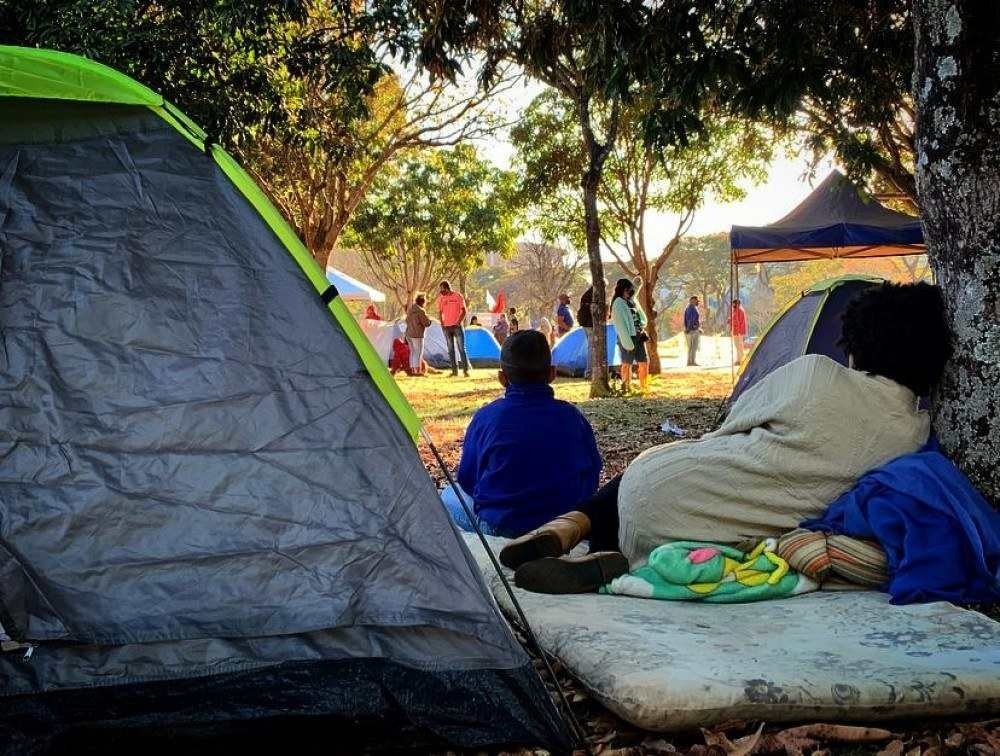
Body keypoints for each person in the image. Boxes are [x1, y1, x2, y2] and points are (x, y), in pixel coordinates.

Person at [499, 282, 953, 594]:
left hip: (656, 490)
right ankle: (616, 562)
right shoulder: (914, 438)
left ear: (854, 345)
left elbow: (729, 428)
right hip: (712, 535)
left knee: (660, 467)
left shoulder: (815, 373)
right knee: (701, 510)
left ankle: (570, 528)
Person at [440, 331, 603, 538]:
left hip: (504, 526)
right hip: (562, 525)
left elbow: (467, 480)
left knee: (448, 495)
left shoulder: (486, 418)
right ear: (552, 374)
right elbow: (592, 475)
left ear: (502, 378)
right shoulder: (573, 417)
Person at [610, 278, 649, 393]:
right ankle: (626, 388)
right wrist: (627, 342)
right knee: (627, 364)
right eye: (627, 290)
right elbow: (620, 325)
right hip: (626, 337)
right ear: (622, 290)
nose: (629, 292)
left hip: (639, 335)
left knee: (644, 362)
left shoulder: (631, 300)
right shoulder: (618, 303)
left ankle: (644, 388)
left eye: (630, 290)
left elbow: (635, 290)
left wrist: (637, 283)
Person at [436, 280, 470, 377]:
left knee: (461, 349)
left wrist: (458, 322)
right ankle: (454, 372)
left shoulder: (458, 296)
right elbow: (440, 312)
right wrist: (442, 323)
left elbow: (464, 311)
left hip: (457, 327)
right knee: (450, 350)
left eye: (442, 289)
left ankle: (465, 371)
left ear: (447, 288)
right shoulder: (441, 299)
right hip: (446, 328)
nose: (441, 291)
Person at [405, 293, 432, 376]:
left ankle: (412, 370)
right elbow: (426, 323)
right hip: (417, 335)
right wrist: (429, 320)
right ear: (422, 302)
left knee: (412, 352)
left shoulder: (410, 310)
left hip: (408, 334)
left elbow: (406, 321)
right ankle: (417, 371)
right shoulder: (421, 311)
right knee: (418, 353)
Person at [683, 296, 701, 367]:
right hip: (692, 330)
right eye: (696, 301)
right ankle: (691, 362)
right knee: (693, 347)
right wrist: (691, 328)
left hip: (690, 329)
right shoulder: (691, 308)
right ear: (693, 300)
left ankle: (690, 362)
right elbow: (691, 320)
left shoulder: (689, 308)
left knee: (691, 347)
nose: (697, 302)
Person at [730, 298, 748, 364]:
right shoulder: (734, 311)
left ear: (737, 304)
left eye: (734, 303)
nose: (733, 305)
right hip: (735, 331)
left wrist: (739, 331)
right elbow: (734, 320)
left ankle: (741, 359)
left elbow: (741, 322)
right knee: (737, 345)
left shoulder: (740, 310)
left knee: (739, 345)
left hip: (739, 331)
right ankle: (738, 359)